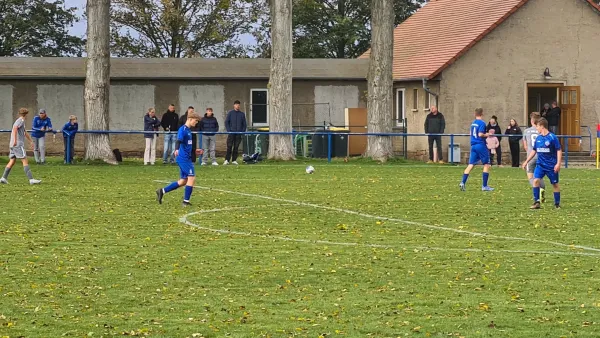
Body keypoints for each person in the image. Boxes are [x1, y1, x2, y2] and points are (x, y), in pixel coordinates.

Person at [156, 111, 202, 207]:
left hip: (186, 158)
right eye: (195, 121)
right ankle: (185, 201)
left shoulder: (189, 130)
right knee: (191, 178)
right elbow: (178, 140)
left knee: (183, 181)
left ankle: (162, 191)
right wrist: (176, 149)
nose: (196, 123)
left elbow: (186, 145)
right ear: (190, 119)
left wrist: (195, 151)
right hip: (183, 158)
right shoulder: (183, 129)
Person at [522, 118, 562, 209]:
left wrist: (558, 163)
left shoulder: (552, 137)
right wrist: (526, 161)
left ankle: (557, 204)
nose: (537, 129)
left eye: (537, 127)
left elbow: (559, 150)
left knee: (555, 184)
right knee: (536, 181)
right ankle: (537, 202)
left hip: (551, 165)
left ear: (542, 126)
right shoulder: (538, 138)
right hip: (540, 165)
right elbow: (534, 151)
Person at [1, 108, 42, 185]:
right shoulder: (21, 121)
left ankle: (3, 178)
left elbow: (24, 132)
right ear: (26, 114)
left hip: (12, 145)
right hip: (18, 145)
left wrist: (30, 140)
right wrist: (16, 141)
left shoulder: (20, 121)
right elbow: (15, 129)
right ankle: (31, 179)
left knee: (12, 161)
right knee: (24, 160)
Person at [459, 108, 494, 192]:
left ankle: (462, 182)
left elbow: (472, 134)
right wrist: (488, 134)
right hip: (480, 145)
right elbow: (480, 134)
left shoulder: (473, 123)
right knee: (486, 164)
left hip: (473, 145)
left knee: (471, 164)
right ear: (482, 114)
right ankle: (484, 186)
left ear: (475, 114)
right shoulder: (482, 123)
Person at [522, 112, 546, 203]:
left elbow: (525, 146)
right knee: (540, 176)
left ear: (531, 121)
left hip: (531, 156)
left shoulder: (526, 131)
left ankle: (537, 192)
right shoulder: (541, 130)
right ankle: (542, 189)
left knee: (530, 177)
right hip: (541, 156)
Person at [224, 100, 247, 165]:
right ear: (234, 105)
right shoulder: (230, 113)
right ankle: (227, 160)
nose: (237, 106)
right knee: (229, 146)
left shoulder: (242, 114)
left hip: (238, 134)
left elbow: (244, 124)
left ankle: (234, 160)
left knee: (236, 147)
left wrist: (242, 132)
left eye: (238, 105)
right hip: (231, 133)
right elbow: (226, 122)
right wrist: (229, 130)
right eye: (236, 104)